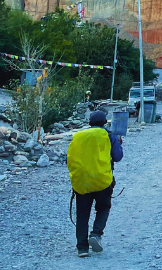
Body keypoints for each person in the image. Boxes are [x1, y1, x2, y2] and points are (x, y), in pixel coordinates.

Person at [67, 110, 123, 257]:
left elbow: (70, 159)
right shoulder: (109, 135)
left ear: (89, 123)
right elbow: (117, 157)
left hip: (82, 181)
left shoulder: (78, 136)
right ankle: (96, 234)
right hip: (102, 180)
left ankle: (82, 248)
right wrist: (118, 143)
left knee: (82, 214)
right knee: (103, 207)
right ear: (105, 123)